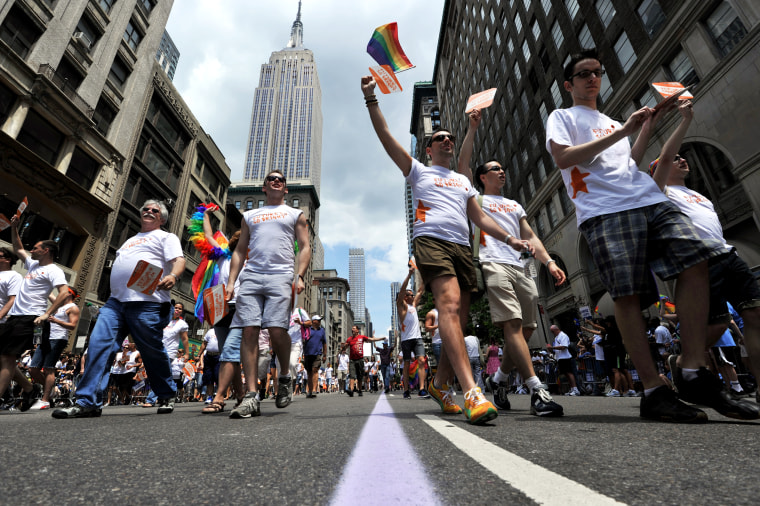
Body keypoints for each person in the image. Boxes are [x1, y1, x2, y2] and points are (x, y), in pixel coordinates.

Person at [545, 48, 750, 422]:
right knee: (628, 295)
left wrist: (644, 130)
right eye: (584, 74)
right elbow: (563, 159)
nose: (593, 78)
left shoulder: (608, 120)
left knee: (697, 256)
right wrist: (624, 130)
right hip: (605, 211)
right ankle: (654, 391)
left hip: (646, 197)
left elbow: (628, 163)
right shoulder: (562, 117)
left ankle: (691, 370)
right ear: (568, 84)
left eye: (597, 72)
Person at [362, 75, 528, 424]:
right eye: (440, 138)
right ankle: (472, 392)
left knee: (459, 321)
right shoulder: (418, 171)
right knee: (449, 307)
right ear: (428, 148)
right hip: (431, 243)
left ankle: (439, 385)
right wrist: (371, 99)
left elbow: (479, 218)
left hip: (461, 248)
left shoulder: (464, 181)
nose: (447, 141)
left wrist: (510, 238)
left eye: (450, 137)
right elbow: (385, 137)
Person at [649, 100, 760, 418]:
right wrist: (684, 122)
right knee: (718, 323)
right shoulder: (660, 192)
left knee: (755, 316)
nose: (680, 159)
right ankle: (685, 363)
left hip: (729, 255)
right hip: (699, 265)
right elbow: (667, 154)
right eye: (673, 159)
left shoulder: (700, 195)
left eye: (683, 157)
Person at [459, 108, 566, 416]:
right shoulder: (475, 198)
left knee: (528, 328)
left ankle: (500, 378)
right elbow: (463, 164)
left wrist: (548, 263)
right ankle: (537, 391)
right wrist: (472, 128)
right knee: (514, 325)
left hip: (521, 267)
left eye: (503, 169)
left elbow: (530, 236)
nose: (502, 172)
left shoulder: (514, 203)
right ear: (482, 177)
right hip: (493, 263)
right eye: (495, 169)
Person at [53, 200, 185, 418]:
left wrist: (172, 275)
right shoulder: (130, 240)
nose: (149, 211)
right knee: (97, 345)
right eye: (146, 209)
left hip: (148, 304)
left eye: (155, 210)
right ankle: (88, 401)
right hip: (116, 303)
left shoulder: (166, 237)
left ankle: (166, 393)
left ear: (162, 218)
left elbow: (179, 261)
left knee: (151, 351)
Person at [226, 170, 311, 419]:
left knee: (276, 330)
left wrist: (300, 275)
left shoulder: (295, 213)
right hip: (251, 277)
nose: (276, 181)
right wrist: (232, 281)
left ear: (285, 189)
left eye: (281, 180)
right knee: (249, 330)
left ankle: (284, 374)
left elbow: (305, 246)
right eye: (271, 179)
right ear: (264, 187)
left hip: (281, 276)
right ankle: (252, 395)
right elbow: (240, 250)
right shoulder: (250, 215)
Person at [0, 217, 69, 412]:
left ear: (46, 251)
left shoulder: (53, 270)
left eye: (36, 248)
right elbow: (18, 247)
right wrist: (14, 227)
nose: (32, 250)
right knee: (4, 357)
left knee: (7, 357)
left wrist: (48, 313)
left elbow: (63, 292)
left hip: (31, 318)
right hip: (14, 317)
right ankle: (29, 388)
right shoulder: (33, 265)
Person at [192, 203, 244, 414]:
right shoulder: (222, 255)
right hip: (220, 308)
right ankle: (241, 396)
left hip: (241, 309)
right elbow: (207, 234)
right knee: (228, 354)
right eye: (238, 240)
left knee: (229, 351)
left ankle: (219, 397)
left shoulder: (254, 261)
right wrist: (204, 215)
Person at [29, 288, 80, 410]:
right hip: (46, 338)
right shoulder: (59, 305)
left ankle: (45, 400)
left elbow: (72, 326)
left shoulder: (73, 308)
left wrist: (56, 320)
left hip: (58, 339)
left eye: (63, 291)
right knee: (33, 369)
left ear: (68, 294)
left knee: (48, 368)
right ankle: (51, 389)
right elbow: (49, 294)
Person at [142, 301, 189, 407]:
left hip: (170, 352)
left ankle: (151, 400)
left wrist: (187, 353)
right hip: (157, 350)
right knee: (158, 374)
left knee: (161, 373)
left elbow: (185, 339)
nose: (177, 310)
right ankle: (166, 396)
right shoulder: (163, 319)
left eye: (180, 309)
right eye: (175, 308)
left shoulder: (182, 324)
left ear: (182, 312)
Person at [397, 265, 429, 399]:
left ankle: (421, 389)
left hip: (417, 338)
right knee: (406, 363)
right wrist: (409, 275)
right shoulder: (402, 306)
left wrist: (426, 276)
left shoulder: (413, 306)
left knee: (421, 360)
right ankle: (406, 390)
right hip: (406, 339)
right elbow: (402, 290)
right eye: (411, 295)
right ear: (405, 297)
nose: (413, 296)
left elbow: (421, 290)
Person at [341, 326, 385, 397]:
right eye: (352, 329)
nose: (352, 330)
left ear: (358, 330)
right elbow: (344, 348)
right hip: (352, 360)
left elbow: (371, 339)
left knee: (359, 375)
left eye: (354, 329)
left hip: (360, 359)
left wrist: (381, 339)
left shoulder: (362, 337)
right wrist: (344, 346)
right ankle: (351, 390)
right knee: (352, 375)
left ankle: (360, 390)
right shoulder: (349, 339)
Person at [547, 325, 580, 396]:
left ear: (556, 329)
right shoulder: (556, 337)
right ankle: (572, 389)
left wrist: (552, 347)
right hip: (560, 358)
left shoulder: (563, 336)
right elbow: (556, 350)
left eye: (553, 331)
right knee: (566, 374)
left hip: (565, 357)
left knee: (569, 373)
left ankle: (575, 389)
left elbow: (564, 346)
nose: (553, 333)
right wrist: (552, 349)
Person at [303, 315, 326, 398]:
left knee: (315, 370)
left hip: (317, 354)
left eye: (320, 320)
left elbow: (324, 343)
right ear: (313, 321)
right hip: (307, 354)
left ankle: (314, 390)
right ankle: (309, 390)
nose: (319, 322)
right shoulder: (307, 329)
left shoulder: (322, 330)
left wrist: (325, 355)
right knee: (309, 372)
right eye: (318, 320)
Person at [197, 328, 220, 403]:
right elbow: (204, 343)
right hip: (209, 356)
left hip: (219, 356)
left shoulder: (223, 330)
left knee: (217, 376)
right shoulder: (210, 331)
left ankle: (219, 396)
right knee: (208, 377)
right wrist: (199, 354)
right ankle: (209, 396)